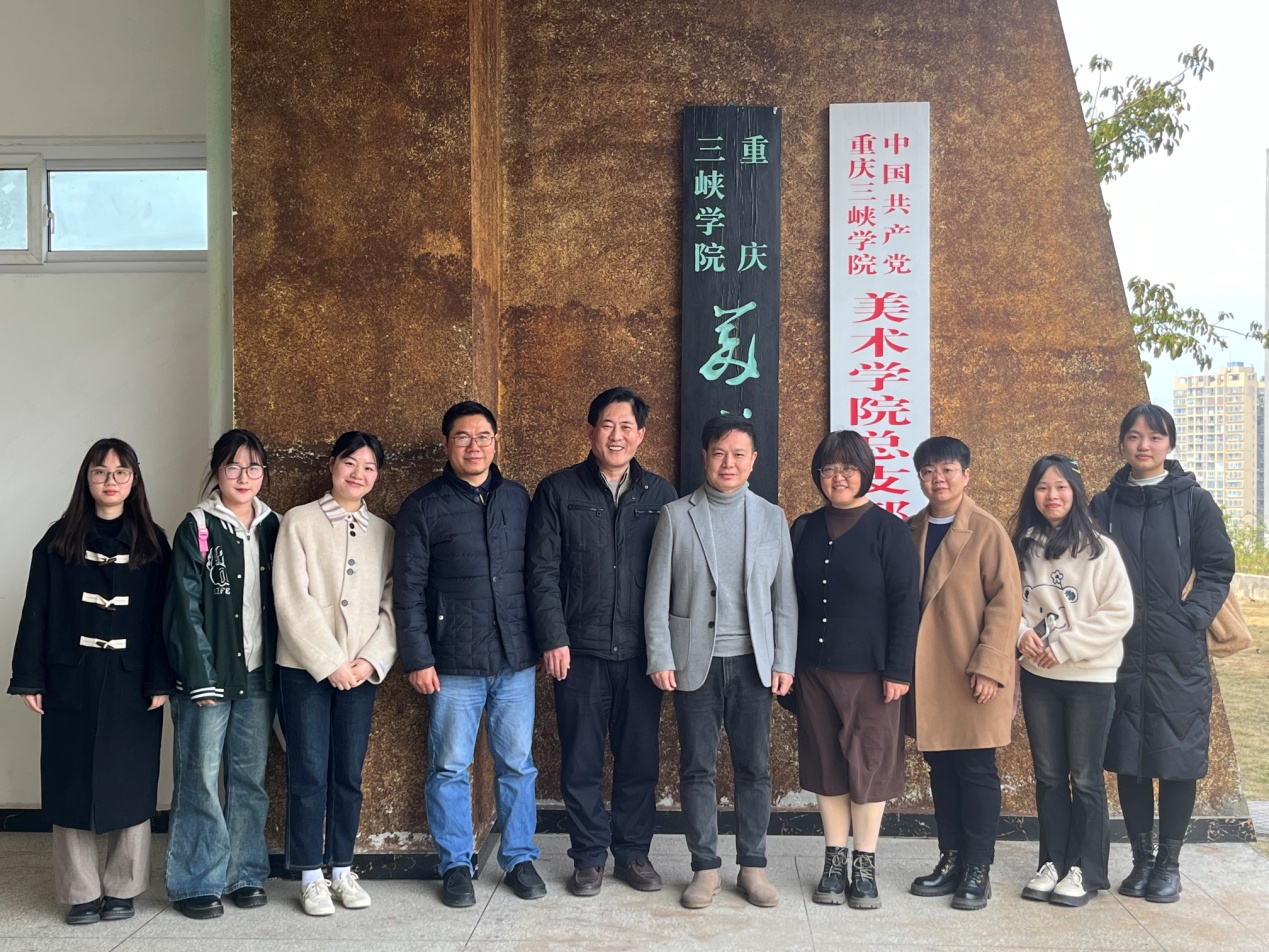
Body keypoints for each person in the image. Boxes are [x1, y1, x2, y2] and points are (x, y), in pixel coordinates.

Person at [9, 439, 172, 925]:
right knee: (70, 781)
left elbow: (165, 619)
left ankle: (123, 888)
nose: (110, 481)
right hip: (70, 677)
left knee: (131, 782)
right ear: (87, 478)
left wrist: (160, 677)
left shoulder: (153, 542)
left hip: (131, 679)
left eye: (121, 473)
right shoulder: (58, 538)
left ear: (134, 480)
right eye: (100, 472)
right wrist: (29, 676)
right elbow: (35, 610)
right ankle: (80, 892)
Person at [393, 400, 545, 907]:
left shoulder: (517, 498)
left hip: (515, 658)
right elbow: (408, 589)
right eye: (463, 436)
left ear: (495, 442)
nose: (474, 445)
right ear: (446, 444)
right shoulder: (423, 505)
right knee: (450, 766)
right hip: (453, 662)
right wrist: (418, 657)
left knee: (517, 765)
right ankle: (456, 864)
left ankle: (519, 857)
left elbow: (536, 575)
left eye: (483, 436)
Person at [527, 388, 677, 897]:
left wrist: (666, 650)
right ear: (591, 430)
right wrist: (553, 637)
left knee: (639, 761)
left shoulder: (662, 495)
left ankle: (633, 853)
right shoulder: (558, 490)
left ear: (641, 435)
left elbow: (674, 578)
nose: (617, 435)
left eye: (627, 426)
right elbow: (542, 571)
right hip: (579, 651)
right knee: (582, 761)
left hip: (640, 655)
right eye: (607, 425)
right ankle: (589, 857)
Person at [645, 415, 796, 910]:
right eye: (719, 453)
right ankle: (705, 868)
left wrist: (784, 660)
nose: (728, 463)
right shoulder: (676, 516)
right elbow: (656, 595)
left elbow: (784, 600)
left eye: (739, 454)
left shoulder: (772, 517)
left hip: (754, 664)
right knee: (697, 768)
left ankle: (753, 866)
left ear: (753, 461)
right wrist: (660, 655)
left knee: (755, 768)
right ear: (705, 457)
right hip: (695, 662)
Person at [1091, 404, 1234, 903]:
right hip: (1121, 649)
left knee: (1178, 756)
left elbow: (1217, 566)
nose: (1144, 445)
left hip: (1178, 653)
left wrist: (1192, 616)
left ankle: (1169, 864)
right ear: (1122, 444)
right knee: (1128, 756)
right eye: (1134, 436)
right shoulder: (1104, 504)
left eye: (1154, 437)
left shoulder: (1194, 500)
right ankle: (1142, 860)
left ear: (1169, 444)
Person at [790, 430, 919, 909]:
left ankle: (864, 865)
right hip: (814, 671)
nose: (837, 477)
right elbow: (788, 601)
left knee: (869, 767)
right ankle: (833, 861)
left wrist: (898, 670)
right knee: (827, 766)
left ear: (866, 472)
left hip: (873, 676)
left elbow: (906, 605)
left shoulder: (890, 530)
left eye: (847, 468)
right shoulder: (803, 528)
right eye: (828, 469)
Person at [274, 432, 398, 916]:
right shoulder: (299, 520)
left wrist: (370, 661)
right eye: (350, 463)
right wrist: (330, 663)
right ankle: (310, 875)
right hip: (305, 670)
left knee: (348, 773)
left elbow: (392, 604)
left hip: (361, 672)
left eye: (369, 467)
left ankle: (343, 868)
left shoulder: (383, 532)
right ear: (332, 465)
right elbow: (291, 597)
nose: (358, 474)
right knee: (308, 772)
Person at [164, 428, 281, 919]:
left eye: (253, 467)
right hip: (208, 675)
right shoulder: (197, 526)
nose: (243, 476)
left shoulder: (274, 525)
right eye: (233, 466)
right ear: (217, 471)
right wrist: (200, 674)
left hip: (257, 672)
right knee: (199, 776)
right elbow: (184, 607)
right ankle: (197, 881)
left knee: (249, 778)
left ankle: (245, 873)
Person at [1011, 454, 1133, 907]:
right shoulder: (1023, 546)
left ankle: (1085, 869)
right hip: (1039, 676)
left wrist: (1063, 646)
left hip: (1089, 677)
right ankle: (1052, 862)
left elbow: (1118, 613)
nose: (1052, 495)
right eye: (1043, 487)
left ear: (1077, 492)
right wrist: (1021, 635)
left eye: (1061, 487)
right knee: (1048, 775)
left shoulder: (1100, 549)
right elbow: (1007, 602)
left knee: (1084, 777)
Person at [906, 436, 1021, 911]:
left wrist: (991, 666)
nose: (939, 479)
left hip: (972, 671)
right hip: (930, 673)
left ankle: (978, 868)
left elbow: (1007, 603)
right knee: (941, 767)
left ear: (966, 475)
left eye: (948, 469)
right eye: (929, 471)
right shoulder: (912, 527)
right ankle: (950, 858)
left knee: (975, 769)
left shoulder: (987, 530)